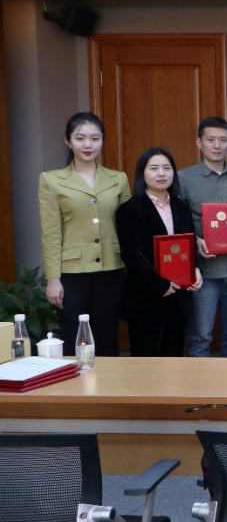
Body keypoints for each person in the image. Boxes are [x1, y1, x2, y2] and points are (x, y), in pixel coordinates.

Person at [38, 112, 130, 356]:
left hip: (112, 270)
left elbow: (129, 226)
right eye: (80, 138)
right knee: (75, 340)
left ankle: (109, 382)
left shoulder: (118, 179)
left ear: (102, 141)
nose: (88, 145)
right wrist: (53, 279)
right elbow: (51, 233)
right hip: (72, 273)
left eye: (95, 138)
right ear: (68, 141)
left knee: (108, 339)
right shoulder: (51, 180)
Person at [115, 147, 203, 356]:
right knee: (147, 362)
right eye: (154, 168)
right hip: (146, 298)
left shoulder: (181, 206)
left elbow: (189, 244)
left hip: (179, 298)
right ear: (142, 174)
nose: (161, 173)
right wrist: (161, 284)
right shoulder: (129, 209)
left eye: (167, 168)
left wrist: (195, 270)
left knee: (174, 360)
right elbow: (132, 255)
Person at [177, 116, 227, 357]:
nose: (217, 145)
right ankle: (202, 383)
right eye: (210, 140)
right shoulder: (182, 179)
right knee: (200, 336)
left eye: (223, 140)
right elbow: (176, 223)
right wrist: (193, 241)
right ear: (199, 142)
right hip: (203, 273)